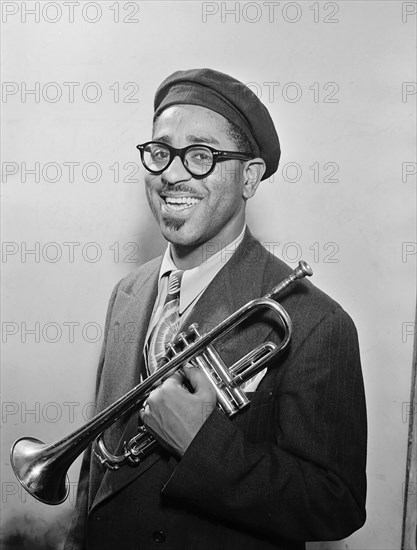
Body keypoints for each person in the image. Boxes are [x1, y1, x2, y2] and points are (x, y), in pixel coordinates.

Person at [65, 68, 367, 550]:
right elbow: (101, 459)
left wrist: (202, 446)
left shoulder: (316, 323)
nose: (172, 174)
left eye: (201, 156)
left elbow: (336, 503)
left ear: (249, 178)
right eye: (161, 152)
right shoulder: (127, 292)